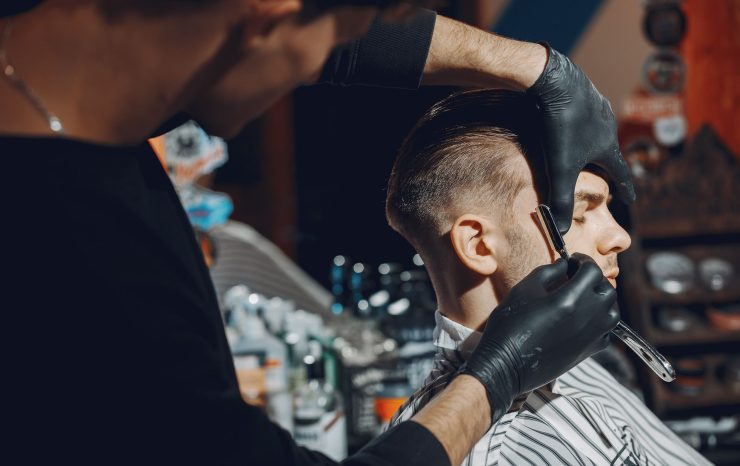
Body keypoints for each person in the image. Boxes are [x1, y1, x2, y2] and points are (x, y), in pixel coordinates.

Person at [1, 1, 628, 464]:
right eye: (335, 39)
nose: (311, 75)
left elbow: (341, 39)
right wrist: (501, 370)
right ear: (267, 15)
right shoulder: (78, 252)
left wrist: (540, 69)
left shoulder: (43, 67)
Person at [385, 89, 710, 466]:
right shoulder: (499, 453)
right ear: (478, 244)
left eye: (608, 208)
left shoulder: (566, 353)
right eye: (576, 214)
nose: (621, 237)